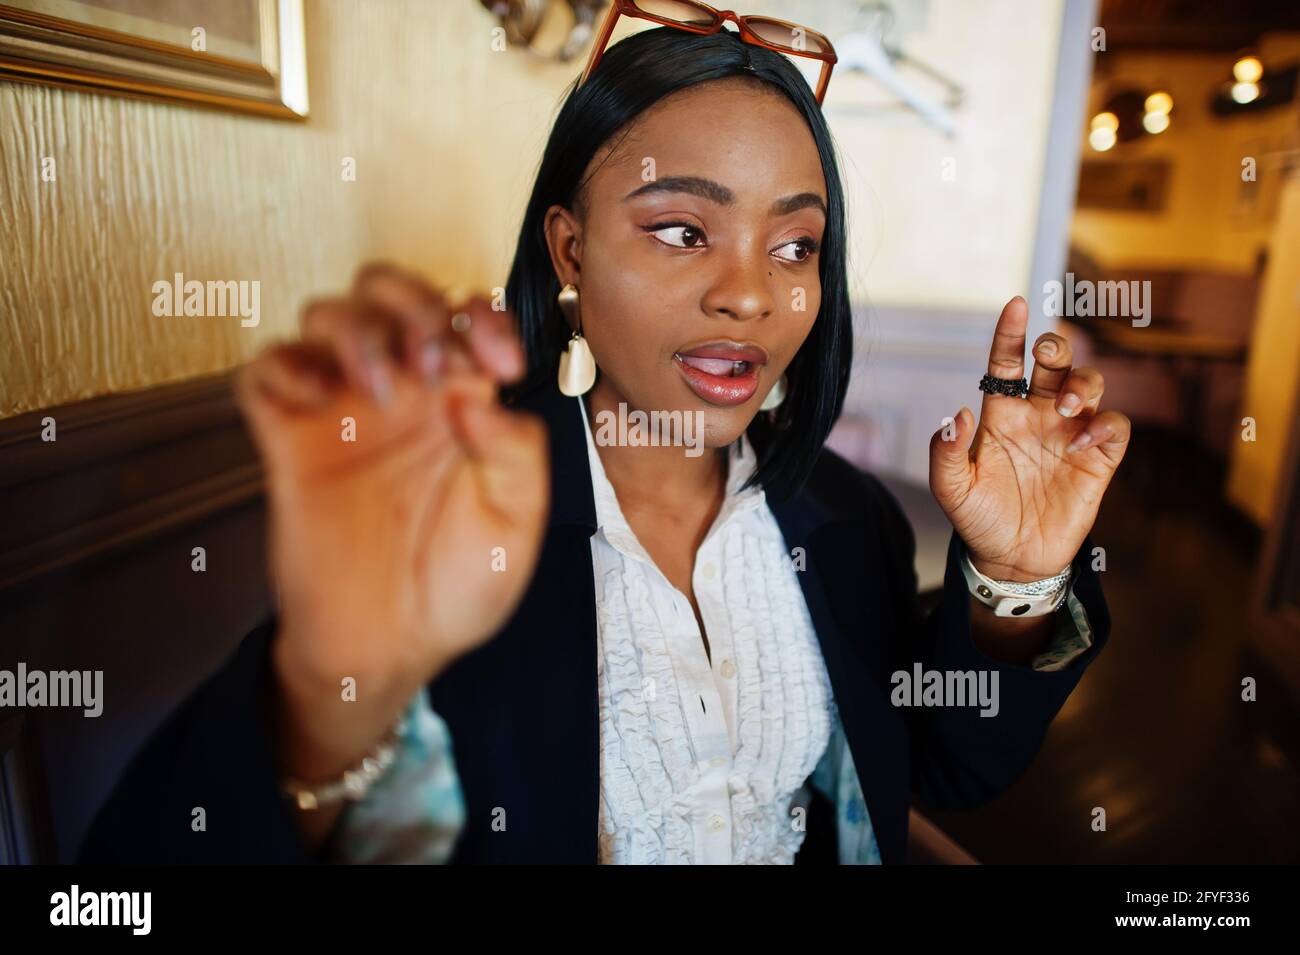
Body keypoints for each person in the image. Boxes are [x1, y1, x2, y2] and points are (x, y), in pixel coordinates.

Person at [79, 23, 1127, 866]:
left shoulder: (842, 519)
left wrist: (1015, 582)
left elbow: (942, 772)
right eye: (681, 229)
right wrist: (329, 688)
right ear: (569, 249)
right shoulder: (461, 517)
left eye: (795, 244)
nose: (750, 293)